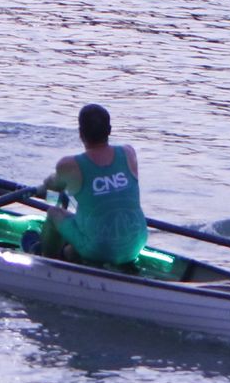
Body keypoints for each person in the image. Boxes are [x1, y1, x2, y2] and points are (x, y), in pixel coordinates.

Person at [38, 104, 148, 268]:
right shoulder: (128, 153)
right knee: (91, 220)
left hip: (98, 247)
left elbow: (52, 189)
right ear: (109, 130)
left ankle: (46, 263)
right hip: (137, 242)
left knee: (54, 213)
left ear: (80, 133)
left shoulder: (68, 165)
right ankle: (73, 253)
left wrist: (42, 191)